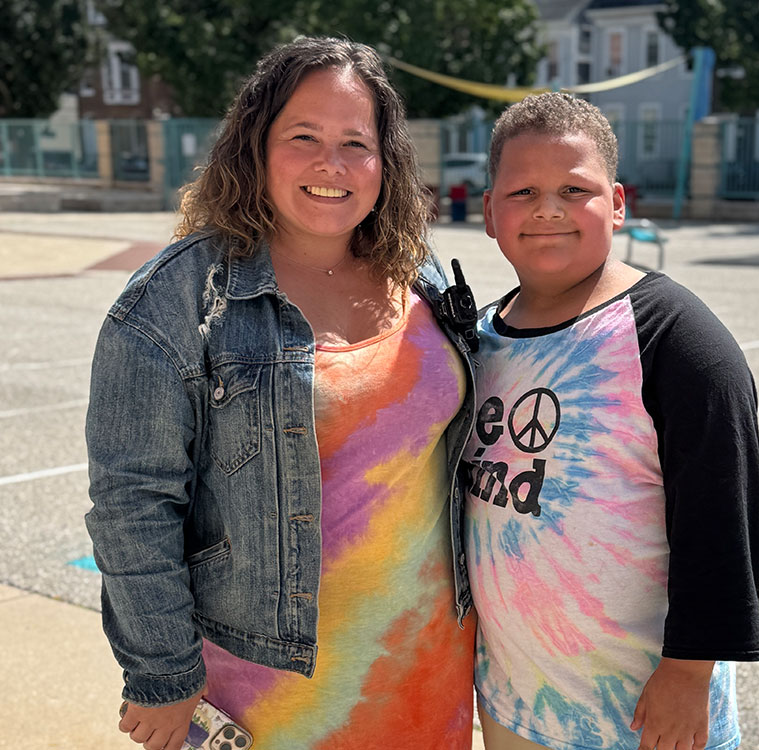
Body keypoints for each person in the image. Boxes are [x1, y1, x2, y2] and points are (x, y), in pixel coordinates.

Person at [85, 36, 478, 750]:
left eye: (356, 143)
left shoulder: (419, 277)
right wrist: (162, 677)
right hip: (267, 693)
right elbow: (131, 509)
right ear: (256, 148)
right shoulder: (174, 303)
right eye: (304, 137)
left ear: (384, 162)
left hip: (426, 674)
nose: (332, 164)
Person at [461, 92, 759, 750]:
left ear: (619, 204)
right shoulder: (480, 337)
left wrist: (688, 672)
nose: (548, 208)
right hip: (516, 703)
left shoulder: (676, 339)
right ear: (488, 212)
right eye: (523, 192)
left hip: (640, 716)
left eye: (575, 188)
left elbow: (721, 516)